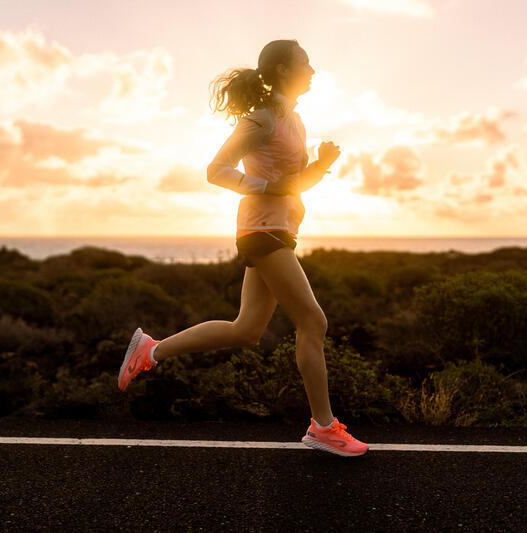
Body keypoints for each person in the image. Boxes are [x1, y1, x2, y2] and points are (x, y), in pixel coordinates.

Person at [117, 39, 368, 457]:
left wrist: (320, 166)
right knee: (313, 322)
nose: (313, 70)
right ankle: (323, 427)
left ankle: (151, 350)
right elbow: (217, 170)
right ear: (284, 69)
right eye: (305, 63)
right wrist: (268, 187)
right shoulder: (263, 119)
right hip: (262, 229)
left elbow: (292, 182)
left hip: (279, 229)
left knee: (247, 330)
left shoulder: (293, 120)